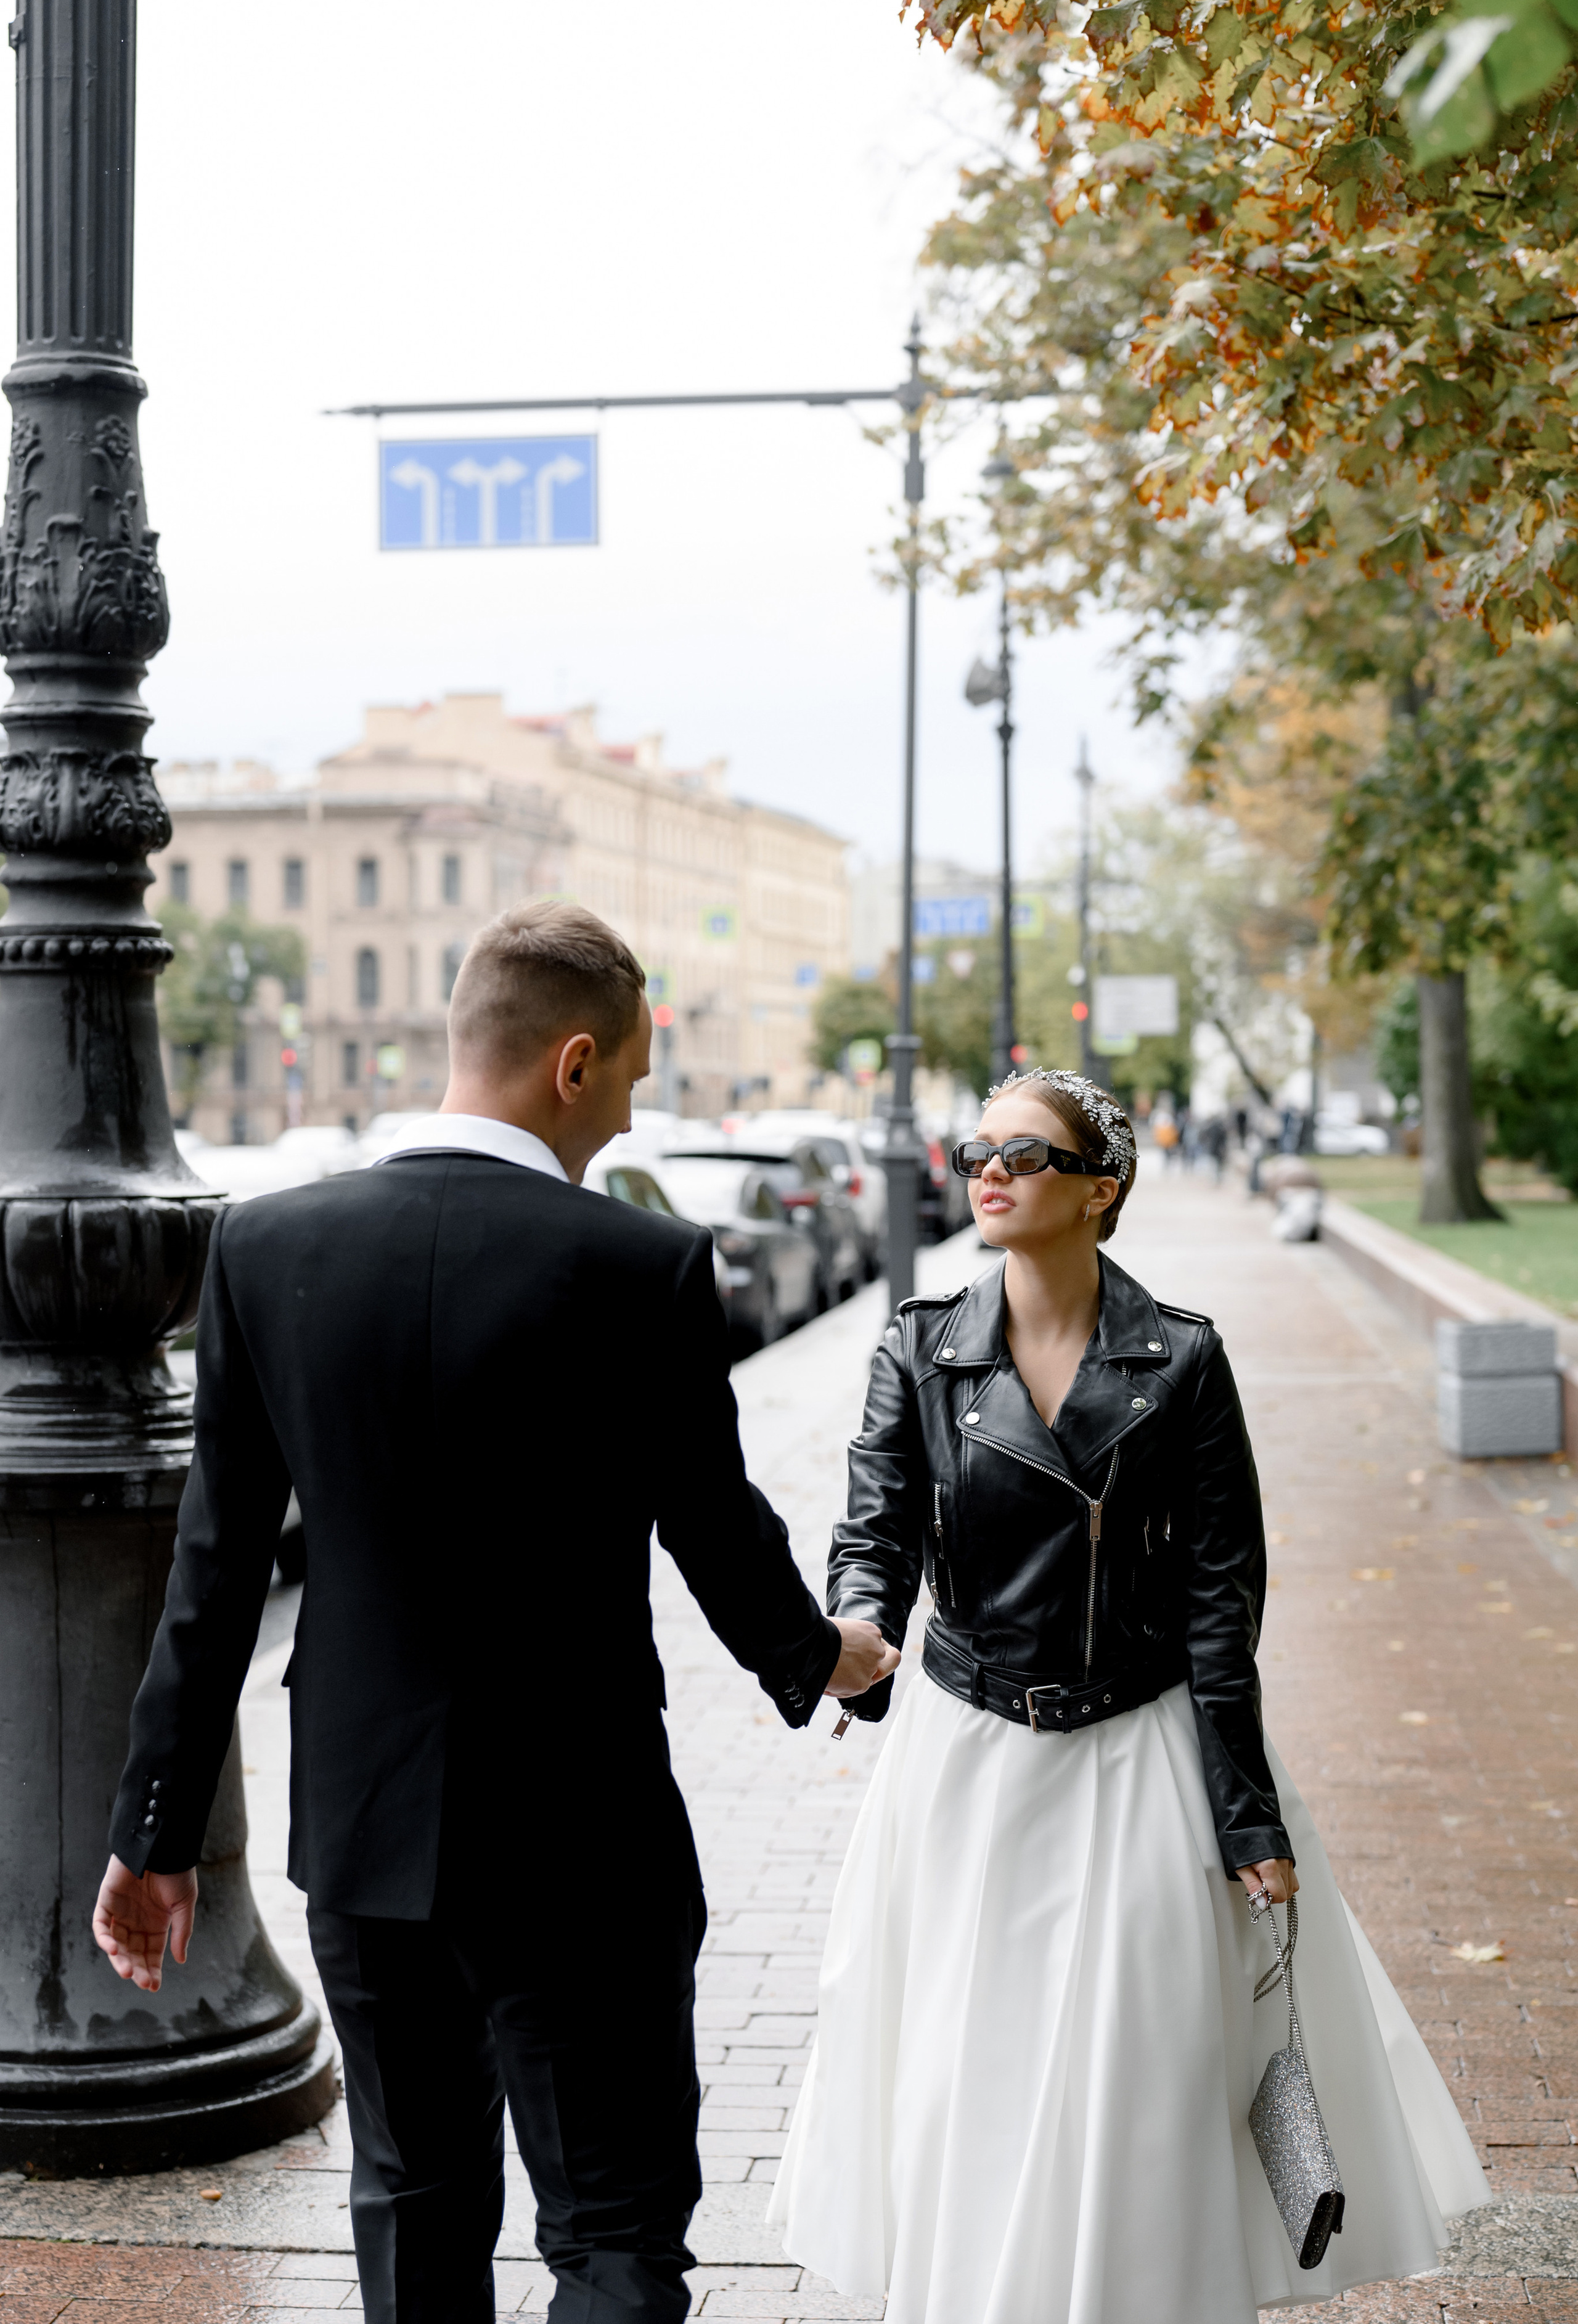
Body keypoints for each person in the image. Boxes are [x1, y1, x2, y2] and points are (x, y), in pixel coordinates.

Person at [92, 901, 899, 2324]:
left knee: (411, 2201)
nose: (627, 1115)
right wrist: (822, 1658)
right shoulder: (635, 1266)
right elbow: (711, 1526)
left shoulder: (267, 1248)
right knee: (614, 2228)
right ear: (573, 1063)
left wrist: (154, 1834)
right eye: (634, 1082)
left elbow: (211, 1574)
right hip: (579, 1831)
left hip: (363, 1825)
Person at [768, 1066, 1489, 2324]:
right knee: (965, 2070)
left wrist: (1247, 1820)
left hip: (1140, 1751)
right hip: (966, 1762)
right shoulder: (917, 1346)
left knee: (1143, 2069)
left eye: (1022, 1154)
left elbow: (1223, 1600)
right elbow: (872, 1531)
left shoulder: (1184, 1361)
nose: (985, 1169)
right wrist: (861, 1624)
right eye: (972, 1147)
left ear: (1100, 1191)